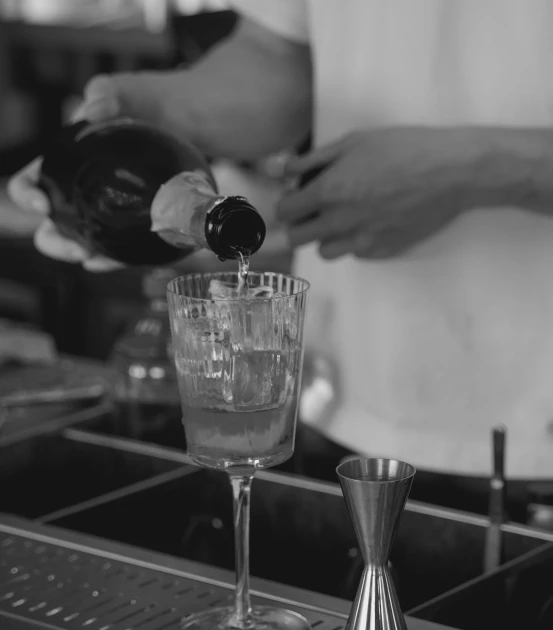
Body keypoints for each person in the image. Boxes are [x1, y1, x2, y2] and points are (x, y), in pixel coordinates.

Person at [9, 0, 553, 520]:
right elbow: (277, 57)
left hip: (535, 427)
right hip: (347, 401)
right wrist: (149, 105)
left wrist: (476, 169)